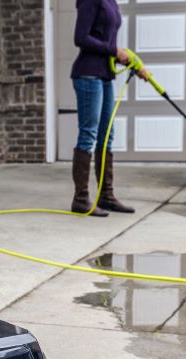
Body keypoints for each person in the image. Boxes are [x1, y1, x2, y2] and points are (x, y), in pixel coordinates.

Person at [71, 0, 148, 217]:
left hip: (105, 75)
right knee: (89, 134)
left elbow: (107, 41)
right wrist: (114, 50)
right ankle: (80, 199)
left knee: (107, 136)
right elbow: (80, 37)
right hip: (88, 74)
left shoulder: (111, 2)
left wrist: (130, 61)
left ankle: (106, 196)